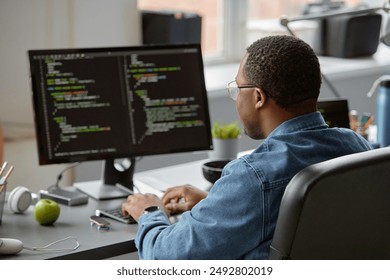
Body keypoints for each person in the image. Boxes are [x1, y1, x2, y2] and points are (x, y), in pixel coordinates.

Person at [122, 35, 373, 259]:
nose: (236, 98)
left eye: (238, 88)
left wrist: (149, 211)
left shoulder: (253, 177)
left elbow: (166, 258)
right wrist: (216, 203)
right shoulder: (358, 146)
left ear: (258, 97)